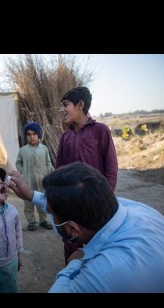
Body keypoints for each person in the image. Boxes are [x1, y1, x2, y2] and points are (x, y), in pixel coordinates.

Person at [8, 162, 164, 292]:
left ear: (73, 230)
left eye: (51, 213)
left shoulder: (104, 272)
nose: (49, 213)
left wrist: (74, 263)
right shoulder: (134, 208)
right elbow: (70, 204)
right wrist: (31, 195)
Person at [55, 86, 118, 265]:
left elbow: (111, 168)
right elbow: (59, 170)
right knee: (71, 241)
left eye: (65, 105)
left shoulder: (100, 130)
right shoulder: (65, 137)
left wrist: (105, 198)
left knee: (97, 244)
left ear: (80, 105)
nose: (61, 110)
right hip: (71, 202)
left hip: (95, 202)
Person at [16, 122, 53, 231]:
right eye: (28, 134)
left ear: (38, 135)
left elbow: (48, 162)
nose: (32, 137)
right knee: (28, 202)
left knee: (42, 200)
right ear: (26, 136)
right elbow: (18, 163)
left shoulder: (44, 149)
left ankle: (43, 220)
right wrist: (23, 171)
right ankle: (31, 221)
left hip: (42, 181)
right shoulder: (23, 150)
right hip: (28, 182)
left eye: (34, 134)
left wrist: (47, 172)